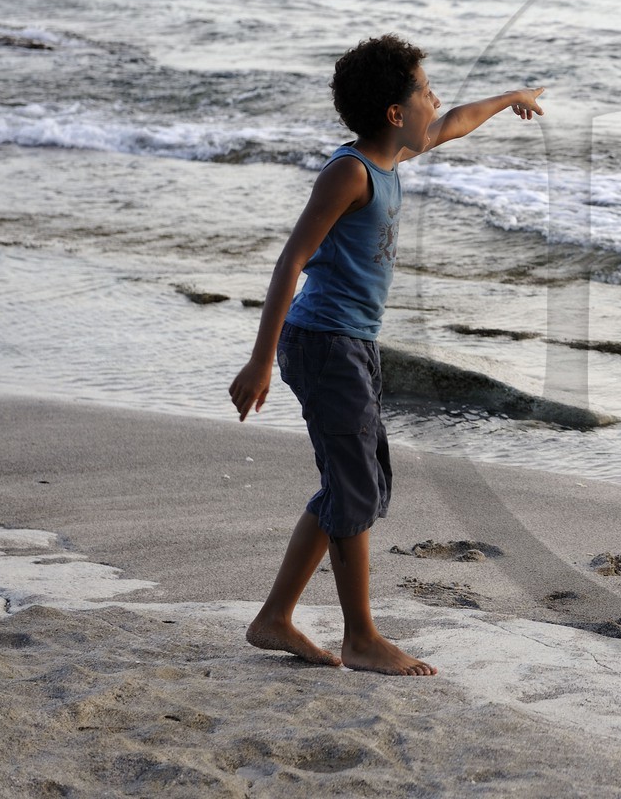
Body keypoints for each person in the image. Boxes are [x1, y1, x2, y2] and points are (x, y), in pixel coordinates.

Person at [228, 34, 543, 676]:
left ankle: (274, 618)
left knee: (352, 484)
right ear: (396, 113)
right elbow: (292, 260)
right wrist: (260, 360)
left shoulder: (396, 154)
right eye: (426, 90)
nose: (438, 99)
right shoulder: (349, 172)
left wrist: (512, 97)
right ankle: (362, 637)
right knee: (355, 487)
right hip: (323, 343)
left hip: (351, 343)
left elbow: (455, 124)